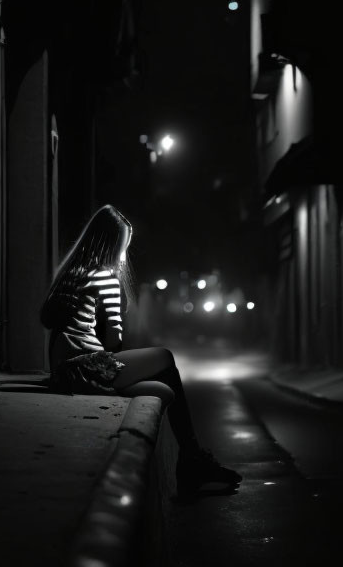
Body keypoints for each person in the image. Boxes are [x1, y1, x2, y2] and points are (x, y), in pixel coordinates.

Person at [40, 204, 242, 497]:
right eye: (123, 248)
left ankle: (191, 461)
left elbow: (51, 321)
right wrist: (117, 310)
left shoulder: (72, 273)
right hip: (87, 368)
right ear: (113, 246)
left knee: (166, 390)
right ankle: (192, 463)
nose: (124, 256)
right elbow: (114, 345)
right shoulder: (105, 278)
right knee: (165, 358)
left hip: (66, 373)